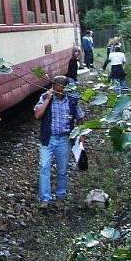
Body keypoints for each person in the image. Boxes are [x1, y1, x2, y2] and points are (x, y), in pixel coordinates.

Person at [34, 75, 85, 207]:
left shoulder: (73, 99)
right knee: (44, 167)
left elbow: (80, 118)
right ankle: (45, 198)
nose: (60, 93)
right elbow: (37, 114)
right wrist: (48, 98)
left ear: (66, 89)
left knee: (62, 170)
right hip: (48, 139)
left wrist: (81, 135)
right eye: (57, 90)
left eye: (62, 90)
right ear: (53, 88)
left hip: (64, 139)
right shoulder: (46, 97)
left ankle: (60, 196)